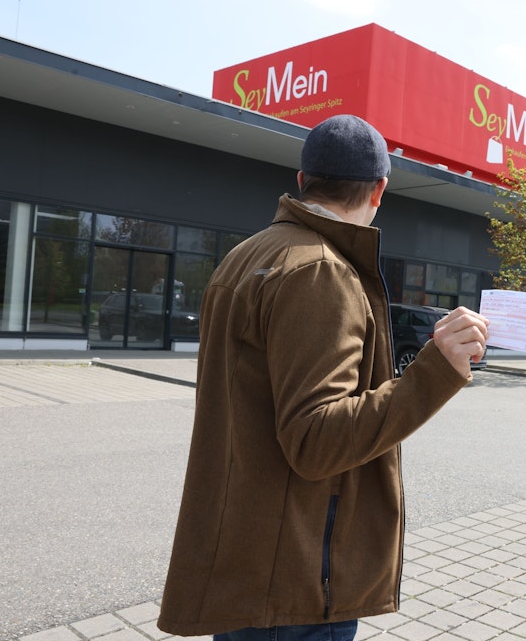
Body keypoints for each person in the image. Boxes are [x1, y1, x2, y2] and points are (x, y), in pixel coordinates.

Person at [157, 114, 489, 640]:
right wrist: (434, 373)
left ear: (301, 181)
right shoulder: (321, 270)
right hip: (297, 572)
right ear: (380, 189)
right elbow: (316, 439)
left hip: (247, 553)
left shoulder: (245, 256)